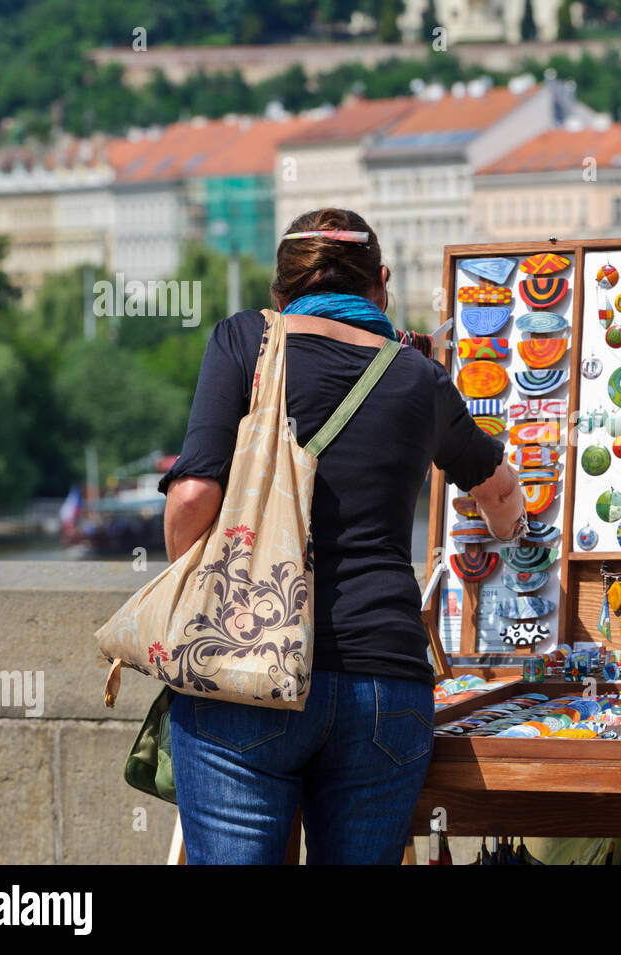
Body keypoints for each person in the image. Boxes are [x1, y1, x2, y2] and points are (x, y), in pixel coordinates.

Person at [159, 208, 524, 864]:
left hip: (248, 669)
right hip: (383, 685)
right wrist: (515, 535)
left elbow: (191, 495)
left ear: (280, 293)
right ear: (380, 285)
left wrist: (199, 592)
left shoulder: (246, 342)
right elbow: (500, 493)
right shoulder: (419, 375)